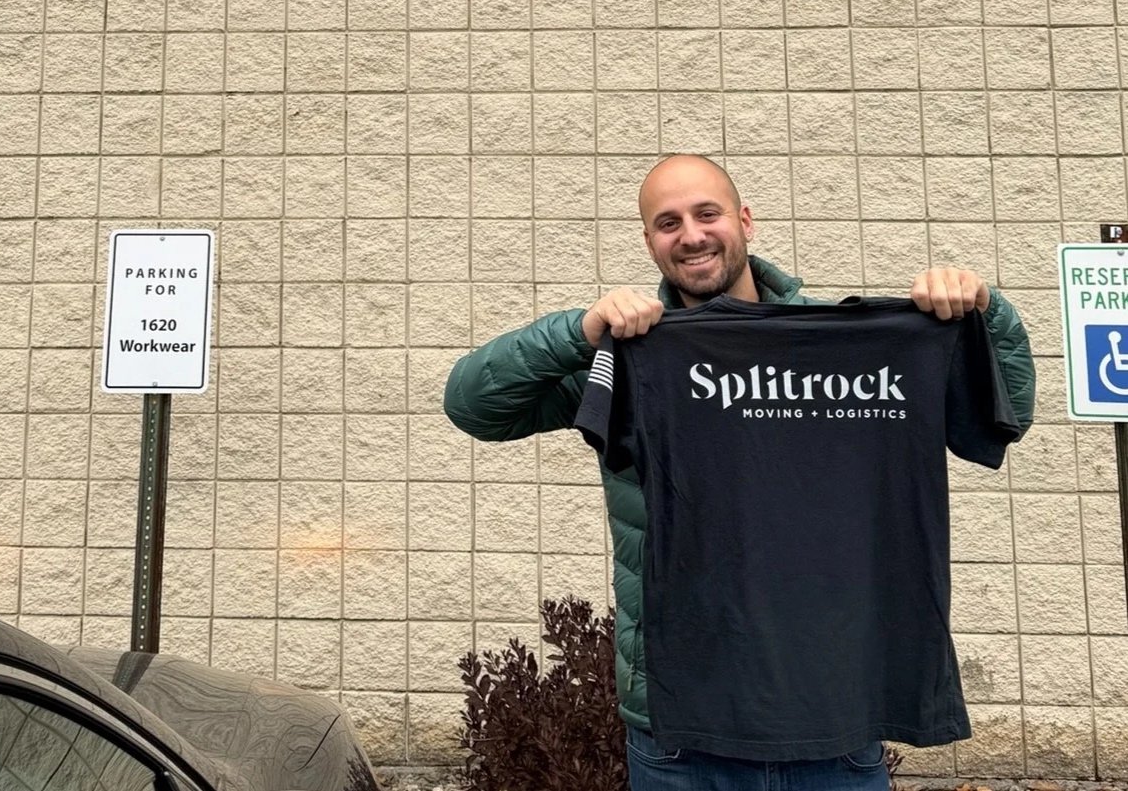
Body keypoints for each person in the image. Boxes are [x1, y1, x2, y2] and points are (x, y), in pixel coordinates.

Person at [443, 154, 1035, 790]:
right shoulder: (636, 355)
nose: (691, 235)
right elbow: (474, 405)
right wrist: (581, 328)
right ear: (649, 242)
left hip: (834, 718)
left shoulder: (840, 345)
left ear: (745, 221)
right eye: (667, 223)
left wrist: (983, 310)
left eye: (707, 213)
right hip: (682, 729)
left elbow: (1006, 416)